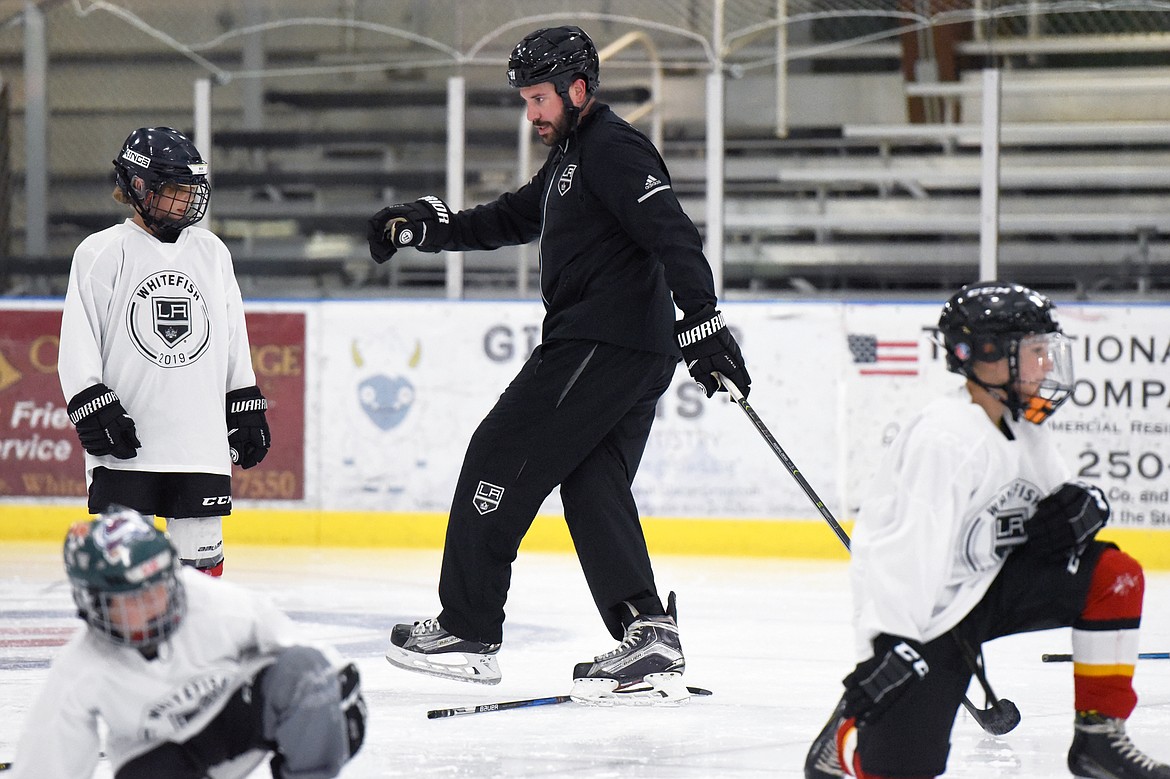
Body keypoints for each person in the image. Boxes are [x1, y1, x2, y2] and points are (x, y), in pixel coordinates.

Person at [366, 25, 750, 704]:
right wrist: (432, 225)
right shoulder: (574, 155)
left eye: (539, 97)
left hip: (601, 342)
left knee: (497, 451)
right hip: (625, 348)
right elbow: (517, 214)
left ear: (578, 88)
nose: (531, 113)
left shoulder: (614, 148)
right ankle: (648, 632)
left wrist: (705, 320)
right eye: (525, 100)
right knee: (591, 484)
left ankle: (468, 628)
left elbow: (672, 231)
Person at [804, 282, 1169, 779]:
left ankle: (1098, 740)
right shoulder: (947, 439)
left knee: (1113, 574)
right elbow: (901, 559)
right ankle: (844, 739)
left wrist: (1086, 510)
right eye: (1036, 351)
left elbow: (1059, 503)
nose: (1046, 365)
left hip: (990, 587)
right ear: (988, 355)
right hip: (931, 615)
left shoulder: (1021, 423)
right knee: (904, 767)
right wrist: (890, 652)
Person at [10, 507, 366, 779]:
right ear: (94, 604)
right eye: (131, 601)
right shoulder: (81, 669)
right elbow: (45, 765)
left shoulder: (217, 604)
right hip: (161, 760)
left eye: (158, 590)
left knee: (307, 678)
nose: (151, 607)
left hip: (237, 726)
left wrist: (333, 698)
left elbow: (310, 667)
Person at [59, 126, 271, 577]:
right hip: (130, 441)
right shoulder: (101, 252)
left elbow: (233, 333)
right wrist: (89, 404)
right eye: (173, 189)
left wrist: (246, 403)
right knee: (126, 574)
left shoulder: (212, 252)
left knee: (201, 574)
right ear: (138, 186)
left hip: (201, 442)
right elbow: (78, 340)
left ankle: (195, 650)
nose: (185, 201)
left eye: (190, 189)